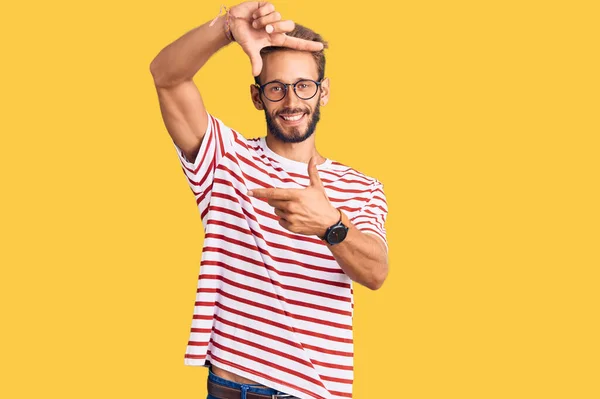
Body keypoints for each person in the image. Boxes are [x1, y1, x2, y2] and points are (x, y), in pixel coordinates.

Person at [150, 2, 389, 398]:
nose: (292, 101)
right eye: (276, 87)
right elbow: (166, 77)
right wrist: (226, 28)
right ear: (258, 97)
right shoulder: (224, 159)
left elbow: (376, 273)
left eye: (304, 86)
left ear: (323, 92)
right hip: (232, 388)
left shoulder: (361, 187)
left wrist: (332, 225)